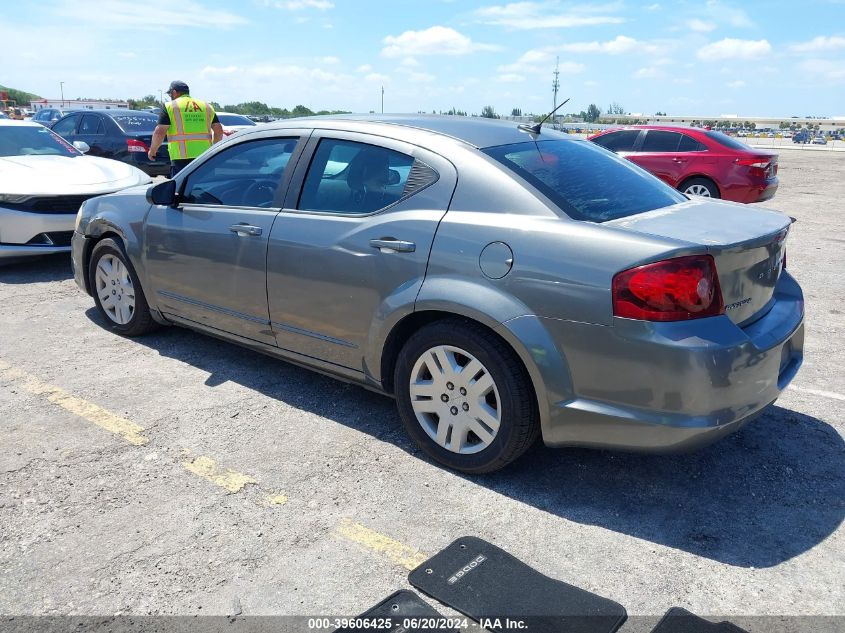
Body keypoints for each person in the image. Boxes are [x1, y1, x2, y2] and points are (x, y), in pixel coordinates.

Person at [147, 80, 223, 177]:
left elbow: (159, 132)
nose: (170, 97)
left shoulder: (170, 106)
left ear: (174, 92)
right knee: (203, 189)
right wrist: (213, 150)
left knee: (181, 189)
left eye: (170, 94)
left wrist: (152, 150)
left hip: (180, 158)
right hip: (204, 157)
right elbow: (219, 131)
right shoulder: (206, 106)